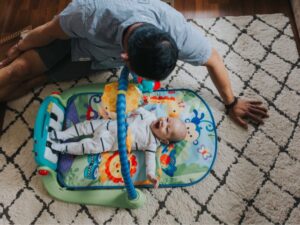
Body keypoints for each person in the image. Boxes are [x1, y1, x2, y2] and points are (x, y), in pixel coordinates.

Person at [0, 0, 268, 129]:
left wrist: (232, 102)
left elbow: (214, 60)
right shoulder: (89, 12)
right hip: (71, 39)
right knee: (18, 70)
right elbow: (49, 31)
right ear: (125, 59)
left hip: (95, 58)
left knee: (36, 81)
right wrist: (21, 46)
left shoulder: (177, 32)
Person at [48, 107, 187, 188]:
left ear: (164, 140)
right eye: (167, 120)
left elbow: (150, 161)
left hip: (108, 142)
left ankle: (60, 147)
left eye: (167, 129)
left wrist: (151, 175)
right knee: (85, 126)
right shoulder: (149, 115)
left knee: (86, 147)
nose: (163, 123)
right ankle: (62, 134)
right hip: (107, 124)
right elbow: (135, 108)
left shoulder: (152, 143)